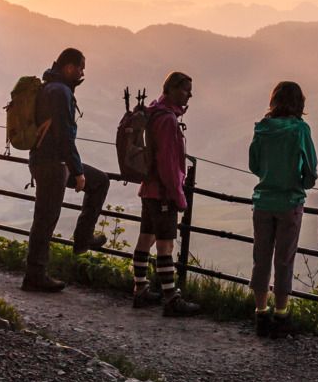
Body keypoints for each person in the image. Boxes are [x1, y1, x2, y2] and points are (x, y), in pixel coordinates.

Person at [23, 47, 111, 292]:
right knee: (45, 219)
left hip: (47, 161)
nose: (82, 73)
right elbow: (64, 136)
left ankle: (83, 240)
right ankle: (35, 275)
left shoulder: (50, 87)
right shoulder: (60, 92)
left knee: (99, 181)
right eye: (81, 68)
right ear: (69, 67)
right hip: (53, 164)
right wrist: (78, 171)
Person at [245, 80, 317, 337]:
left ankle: (260, 313)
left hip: (263, 201)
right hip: (289, 202)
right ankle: (281, 314)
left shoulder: (262, 128)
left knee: (261, 258)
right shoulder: (300, 130)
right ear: (299, 103)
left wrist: (269, 174)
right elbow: (311, 170)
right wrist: (302, 182)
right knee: (284, 260)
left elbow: (254, 164)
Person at [131, 71, 202, 317]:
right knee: (165, 245)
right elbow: (169, 163)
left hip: (149, 188)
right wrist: (178, 195)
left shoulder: (154, 112)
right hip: (163, 192)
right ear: (171, 89)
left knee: (146, 238)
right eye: (185, 90)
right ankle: (171, 298)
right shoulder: (168, 120)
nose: (189, 95)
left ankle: (140, 288)